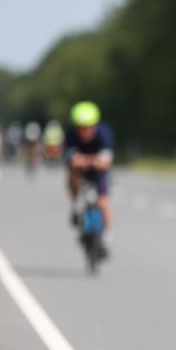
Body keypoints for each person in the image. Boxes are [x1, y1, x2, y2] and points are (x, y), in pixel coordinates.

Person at [64, 101, 115, 254]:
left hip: (99, 172)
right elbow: (71, 159)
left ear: (94, 125)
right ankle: (75, 205)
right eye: (80, 127)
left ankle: (105, 236)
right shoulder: (71, 135)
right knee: (72, 176)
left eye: (88, 127)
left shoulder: (104, 133)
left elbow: (106, 161)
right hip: (80, 170)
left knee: (104, 203)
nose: (84, 131)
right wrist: (83, 161)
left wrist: (90, 161)